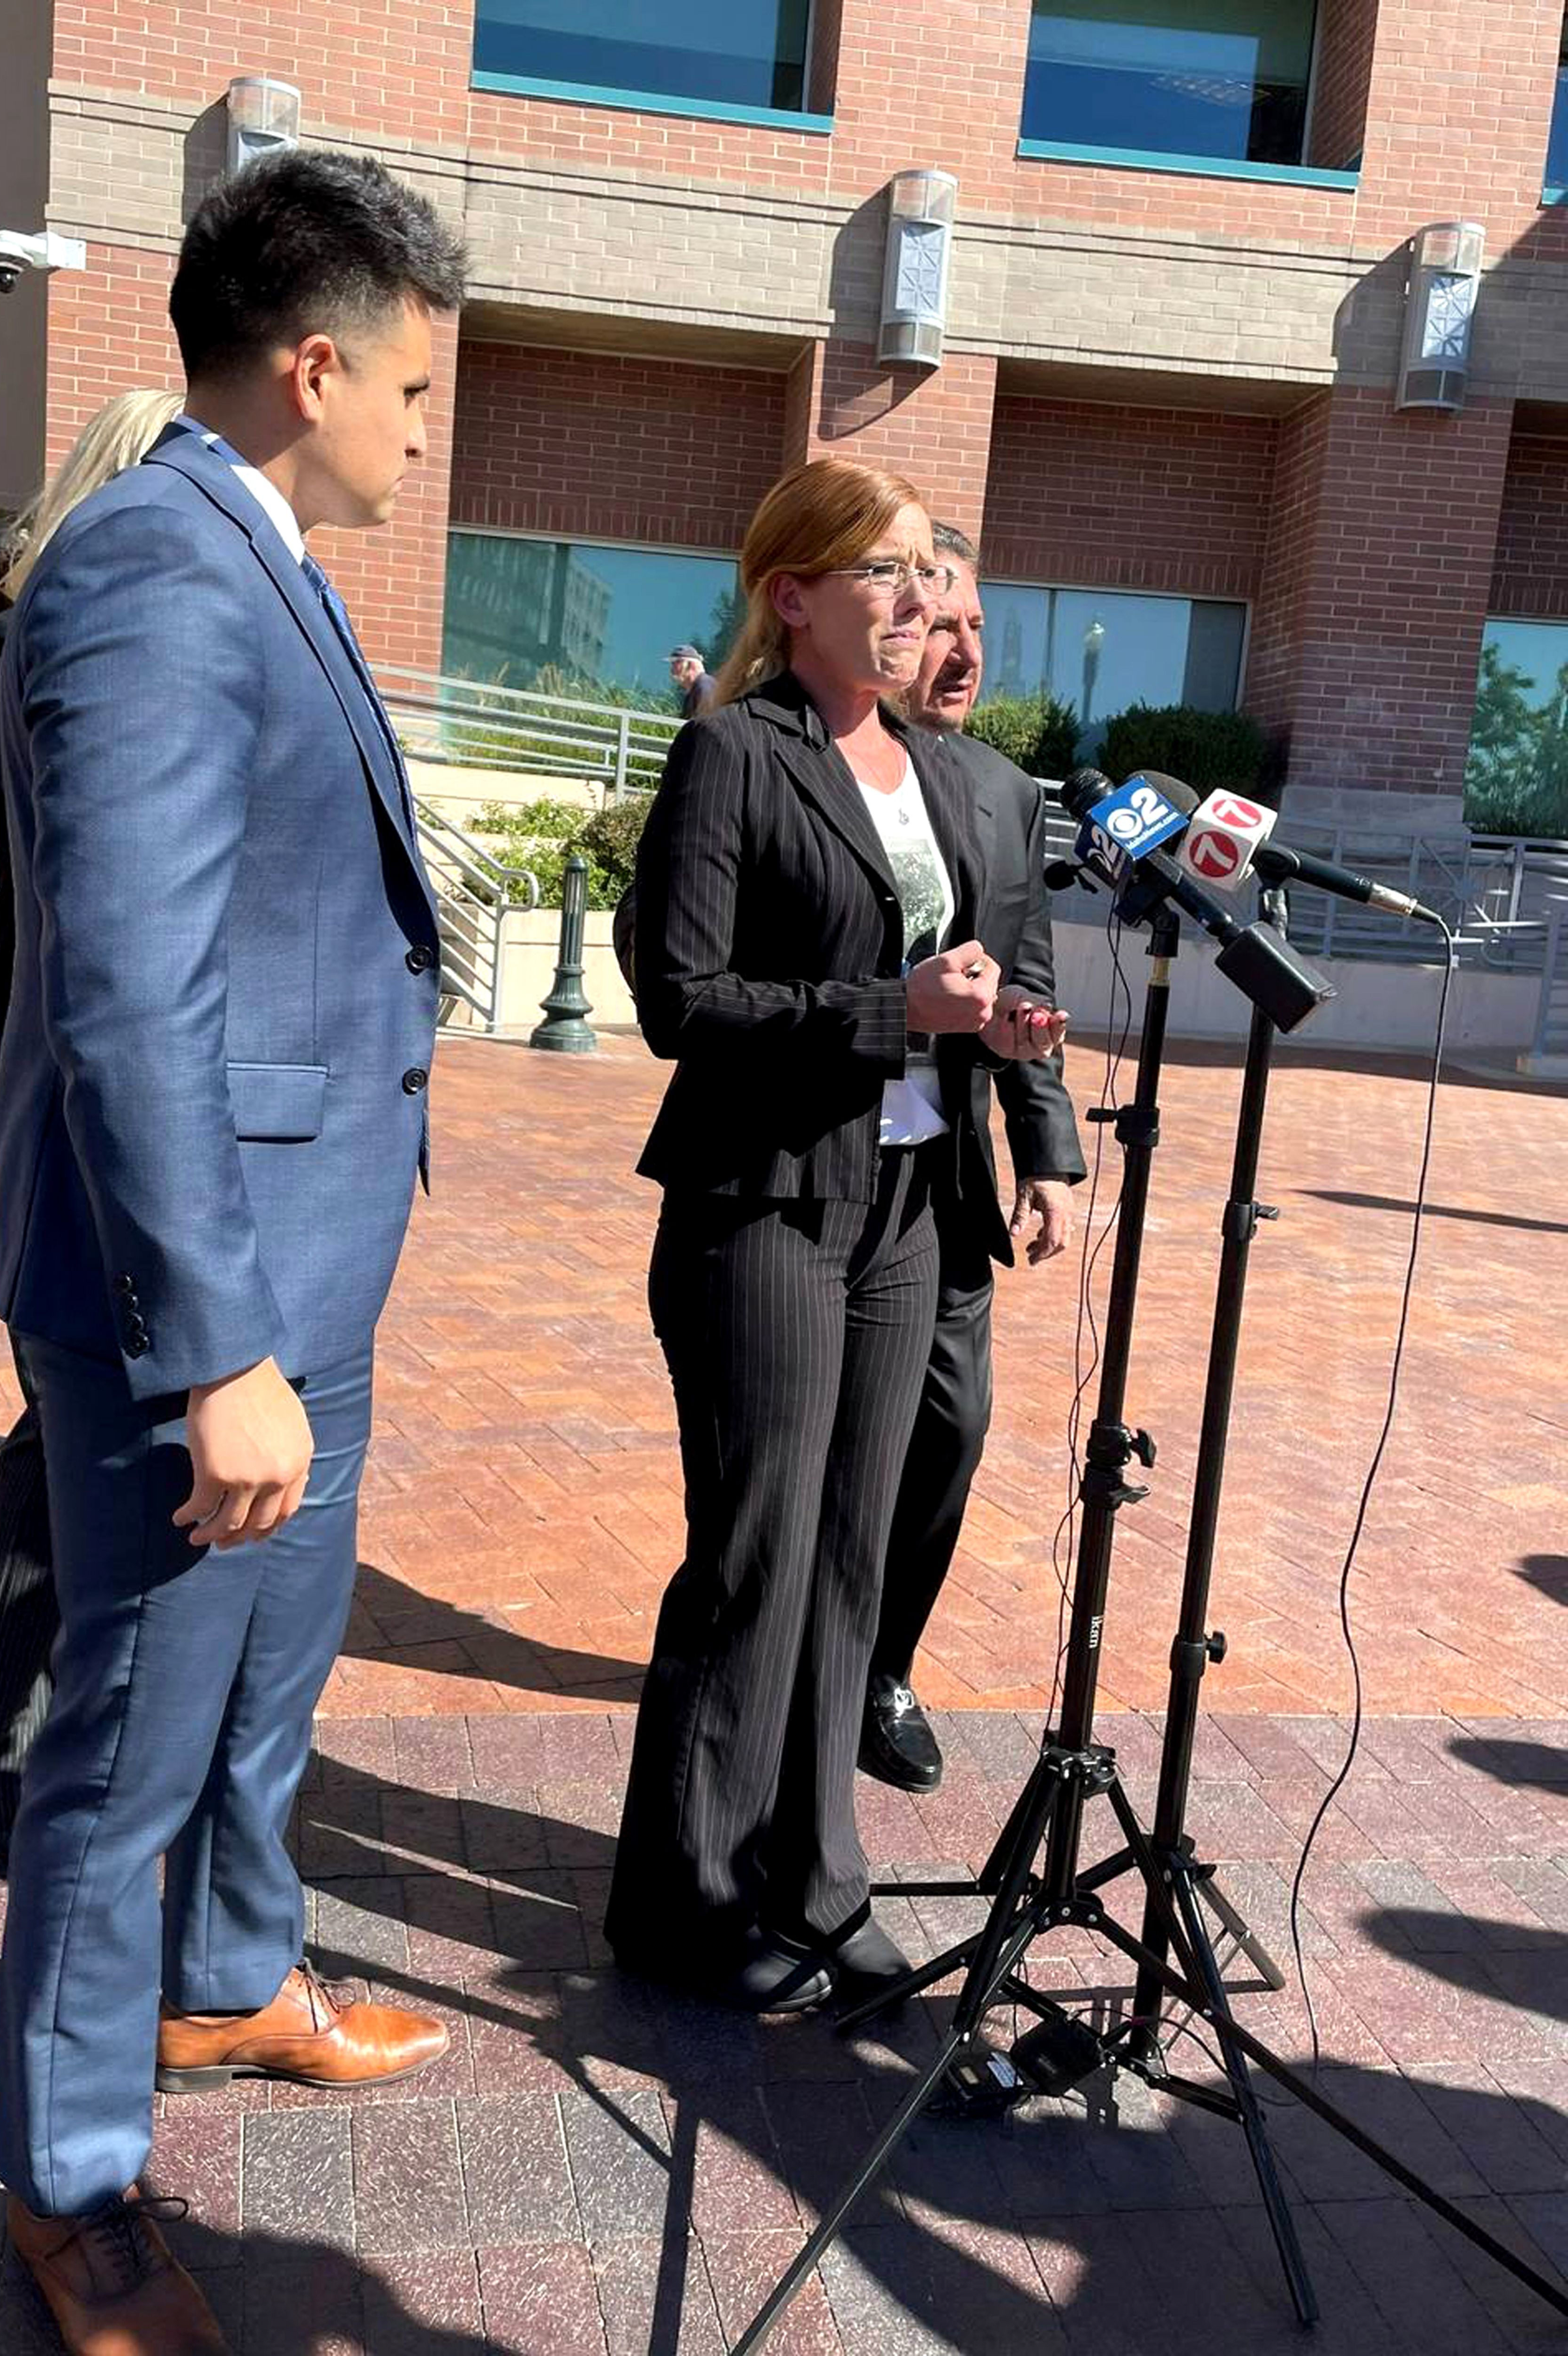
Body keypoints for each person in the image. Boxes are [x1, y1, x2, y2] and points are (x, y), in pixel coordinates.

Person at [0, 150, 463, 2356]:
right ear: (315, 362)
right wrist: (210, 1357)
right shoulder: (158, 573)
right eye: (418, 388)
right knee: (129, 1741)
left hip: (308, 1267)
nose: (427, 431)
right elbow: (128, 997)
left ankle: (230, 1979)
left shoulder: (247, 553)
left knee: (266, 1686)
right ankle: (70, 2184)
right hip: (205, 1309)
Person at [606, 459, 1066, 2016]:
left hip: (911, 1216)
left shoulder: (937, 776)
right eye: (877, 572)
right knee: (757, 1555)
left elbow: (971, 972)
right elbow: (684, 1000)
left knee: (855, 1565)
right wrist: (894, 1011)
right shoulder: (734, 755)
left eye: (920, 568)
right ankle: (689, 1898)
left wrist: (1000, 1033)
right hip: (768, 1208)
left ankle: (818, 1876)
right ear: (790, 596)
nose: (910, 598)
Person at [0, 389, 182, 1868]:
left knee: (66, 1411)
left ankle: (14, 1732)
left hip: (51, 1055)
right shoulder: (22, 642)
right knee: (61, 1415)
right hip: (60, 1067)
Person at [860, 523, 1087, 1794]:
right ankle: (806, 1658)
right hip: (823, 1158)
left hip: (944, 1173)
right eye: (943, 624)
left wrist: (1046, 1155)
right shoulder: (818, 762)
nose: (964, 653)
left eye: (981, 629)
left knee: (954, 1424)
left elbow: (1033, 986)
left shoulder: (1008, 796)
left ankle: (884, 1662)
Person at [667, 641, 715, 718]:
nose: (672, 669)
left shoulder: (705, 687)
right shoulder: (695, 689)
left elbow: (708, 724)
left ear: (692, 665)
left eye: (678, 662)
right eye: (673, 664)